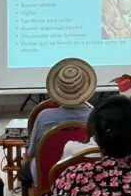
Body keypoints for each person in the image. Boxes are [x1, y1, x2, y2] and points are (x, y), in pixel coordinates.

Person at [23, 58, 96, 188]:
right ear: (86, 89)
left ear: (57, 90)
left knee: (25, 169)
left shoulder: (44, 116)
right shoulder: (94, 115)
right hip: (82, 179)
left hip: (45, 177)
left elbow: (32, 151)